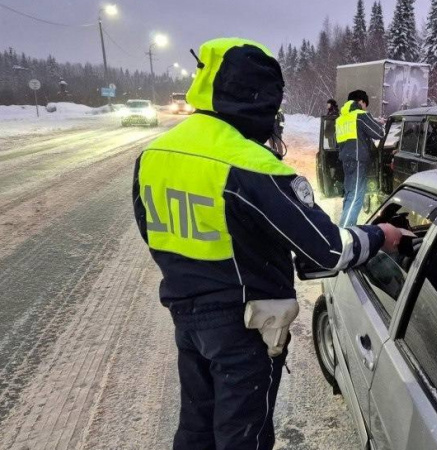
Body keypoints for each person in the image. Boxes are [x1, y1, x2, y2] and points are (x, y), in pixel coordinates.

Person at [132, 37, 404, 450]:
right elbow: (326, 251)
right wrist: (380, 235)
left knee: (196, 429)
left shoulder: (155, 153)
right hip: (243, 327)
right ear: (258, 101)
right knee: (245, 438)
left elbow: (152, 232)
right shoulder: (251, 165)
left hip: (186, 316)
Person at [336, 90, 385, 227]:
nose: (365, 108)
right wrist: (379, 123)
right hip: (358, 161)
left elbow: (337, 142)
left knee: (349, 195)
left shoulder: (341, 119)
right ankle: (345, 231)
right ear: (361, 102)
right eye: (365, 104)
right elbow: (378, 133)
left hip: (346, 161)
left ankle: (344, 226)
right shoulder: (360, 116)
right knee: (356, 196)